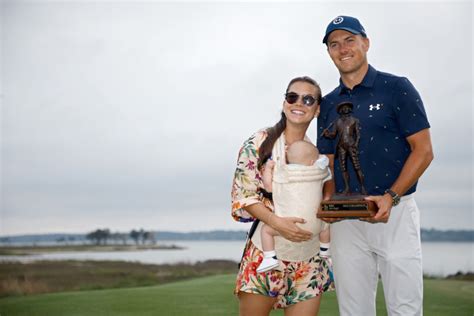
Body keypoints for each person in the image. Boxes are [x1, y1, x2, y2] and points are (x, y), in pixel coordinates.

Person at [317, 15, 434, 316]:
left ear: (365, 43)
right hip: (345, 222)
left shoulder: (397, 88)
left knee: (405, 309)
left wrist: (391, 196)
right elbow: (328, 162)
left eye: (349, 40)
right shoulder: (327, 103)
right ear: (329, 52)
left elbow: (423, 151)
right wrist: (328, 198)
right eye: (334, 44)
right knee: (353, 310)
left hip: (394, 211)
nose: (342, 49)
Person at [231, 76, 333, 315]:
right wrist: (277, 223)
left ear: (317, 110)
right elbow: (243, 195)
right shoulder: (258, 143)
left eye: (308, 99)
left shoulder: (317, 155)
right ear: (284, 102)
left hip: (309, 259)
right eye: (292, 96)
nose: (299, 103)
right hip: (265, 253)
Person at [257, 140, 331, 273]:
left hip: (287, 224)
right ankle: (325, 250)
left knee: (265, 231)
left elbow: (268, 187)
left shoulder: (283, 174)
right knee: (326, 225)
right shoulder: (318, 172)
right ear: (311, 162)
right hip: (316, 226)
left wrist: (268, 169)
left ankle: (269, 257)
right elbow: (325, 166)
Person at [322, 101, 366, 195]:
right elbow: (333, 135)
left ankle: (362, 187)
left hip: (351, 145)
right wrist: (327, 134)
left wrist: (356, 144)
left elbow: (358, 134)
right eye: (343, 108)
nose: (345, 109)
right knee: (343, 168)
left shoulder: (354, 120)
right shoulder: (337, 121)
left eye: (347, 107)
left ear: (349, 109)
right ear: (340, 110)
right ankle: (347, 188)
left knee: (356, 166)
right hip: (341, 146)